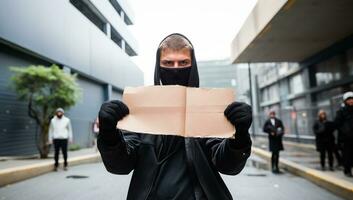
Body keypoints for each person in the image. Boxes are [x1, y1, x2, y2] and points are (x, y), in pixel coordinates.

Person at [98, 33, 252, 200]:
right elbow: (120, 166)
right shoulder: (141, 107)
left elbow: (228, 165)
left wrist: (240, 137)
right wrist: (109, 134)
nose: (176, 69)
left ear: (193, 66)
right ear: (159, 66)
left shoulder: (209, 107)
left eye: (183, 62)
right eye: (168, 63)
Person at [334, 91, 353, 177]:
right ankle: (347, 170)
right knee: (347, 155)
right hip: (345, 138)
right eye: (349, 100)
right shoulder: (341, 111)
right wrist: (345, 131)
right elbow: (337, 124)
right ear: (345, 101)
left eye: (352, 99)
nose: (351, 101)